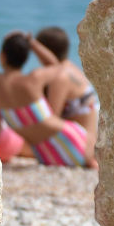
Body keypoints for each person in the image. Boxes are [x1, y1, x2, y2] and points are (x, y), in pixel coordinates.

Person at [0, 32, 95, 169]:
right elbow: (57, 65)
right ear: (26, 58)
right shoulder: (33, 79)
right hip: (72, 142)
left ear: (2, 56)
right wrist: (31, 42)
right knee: (94, 164)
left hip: (46, 154)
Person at [32, 27, 99, 161]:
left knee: (17, 143)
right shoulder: (71, 68)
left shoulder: (60, 77)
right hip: (91, 143)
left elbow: (50, 120)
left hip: (80, 148)